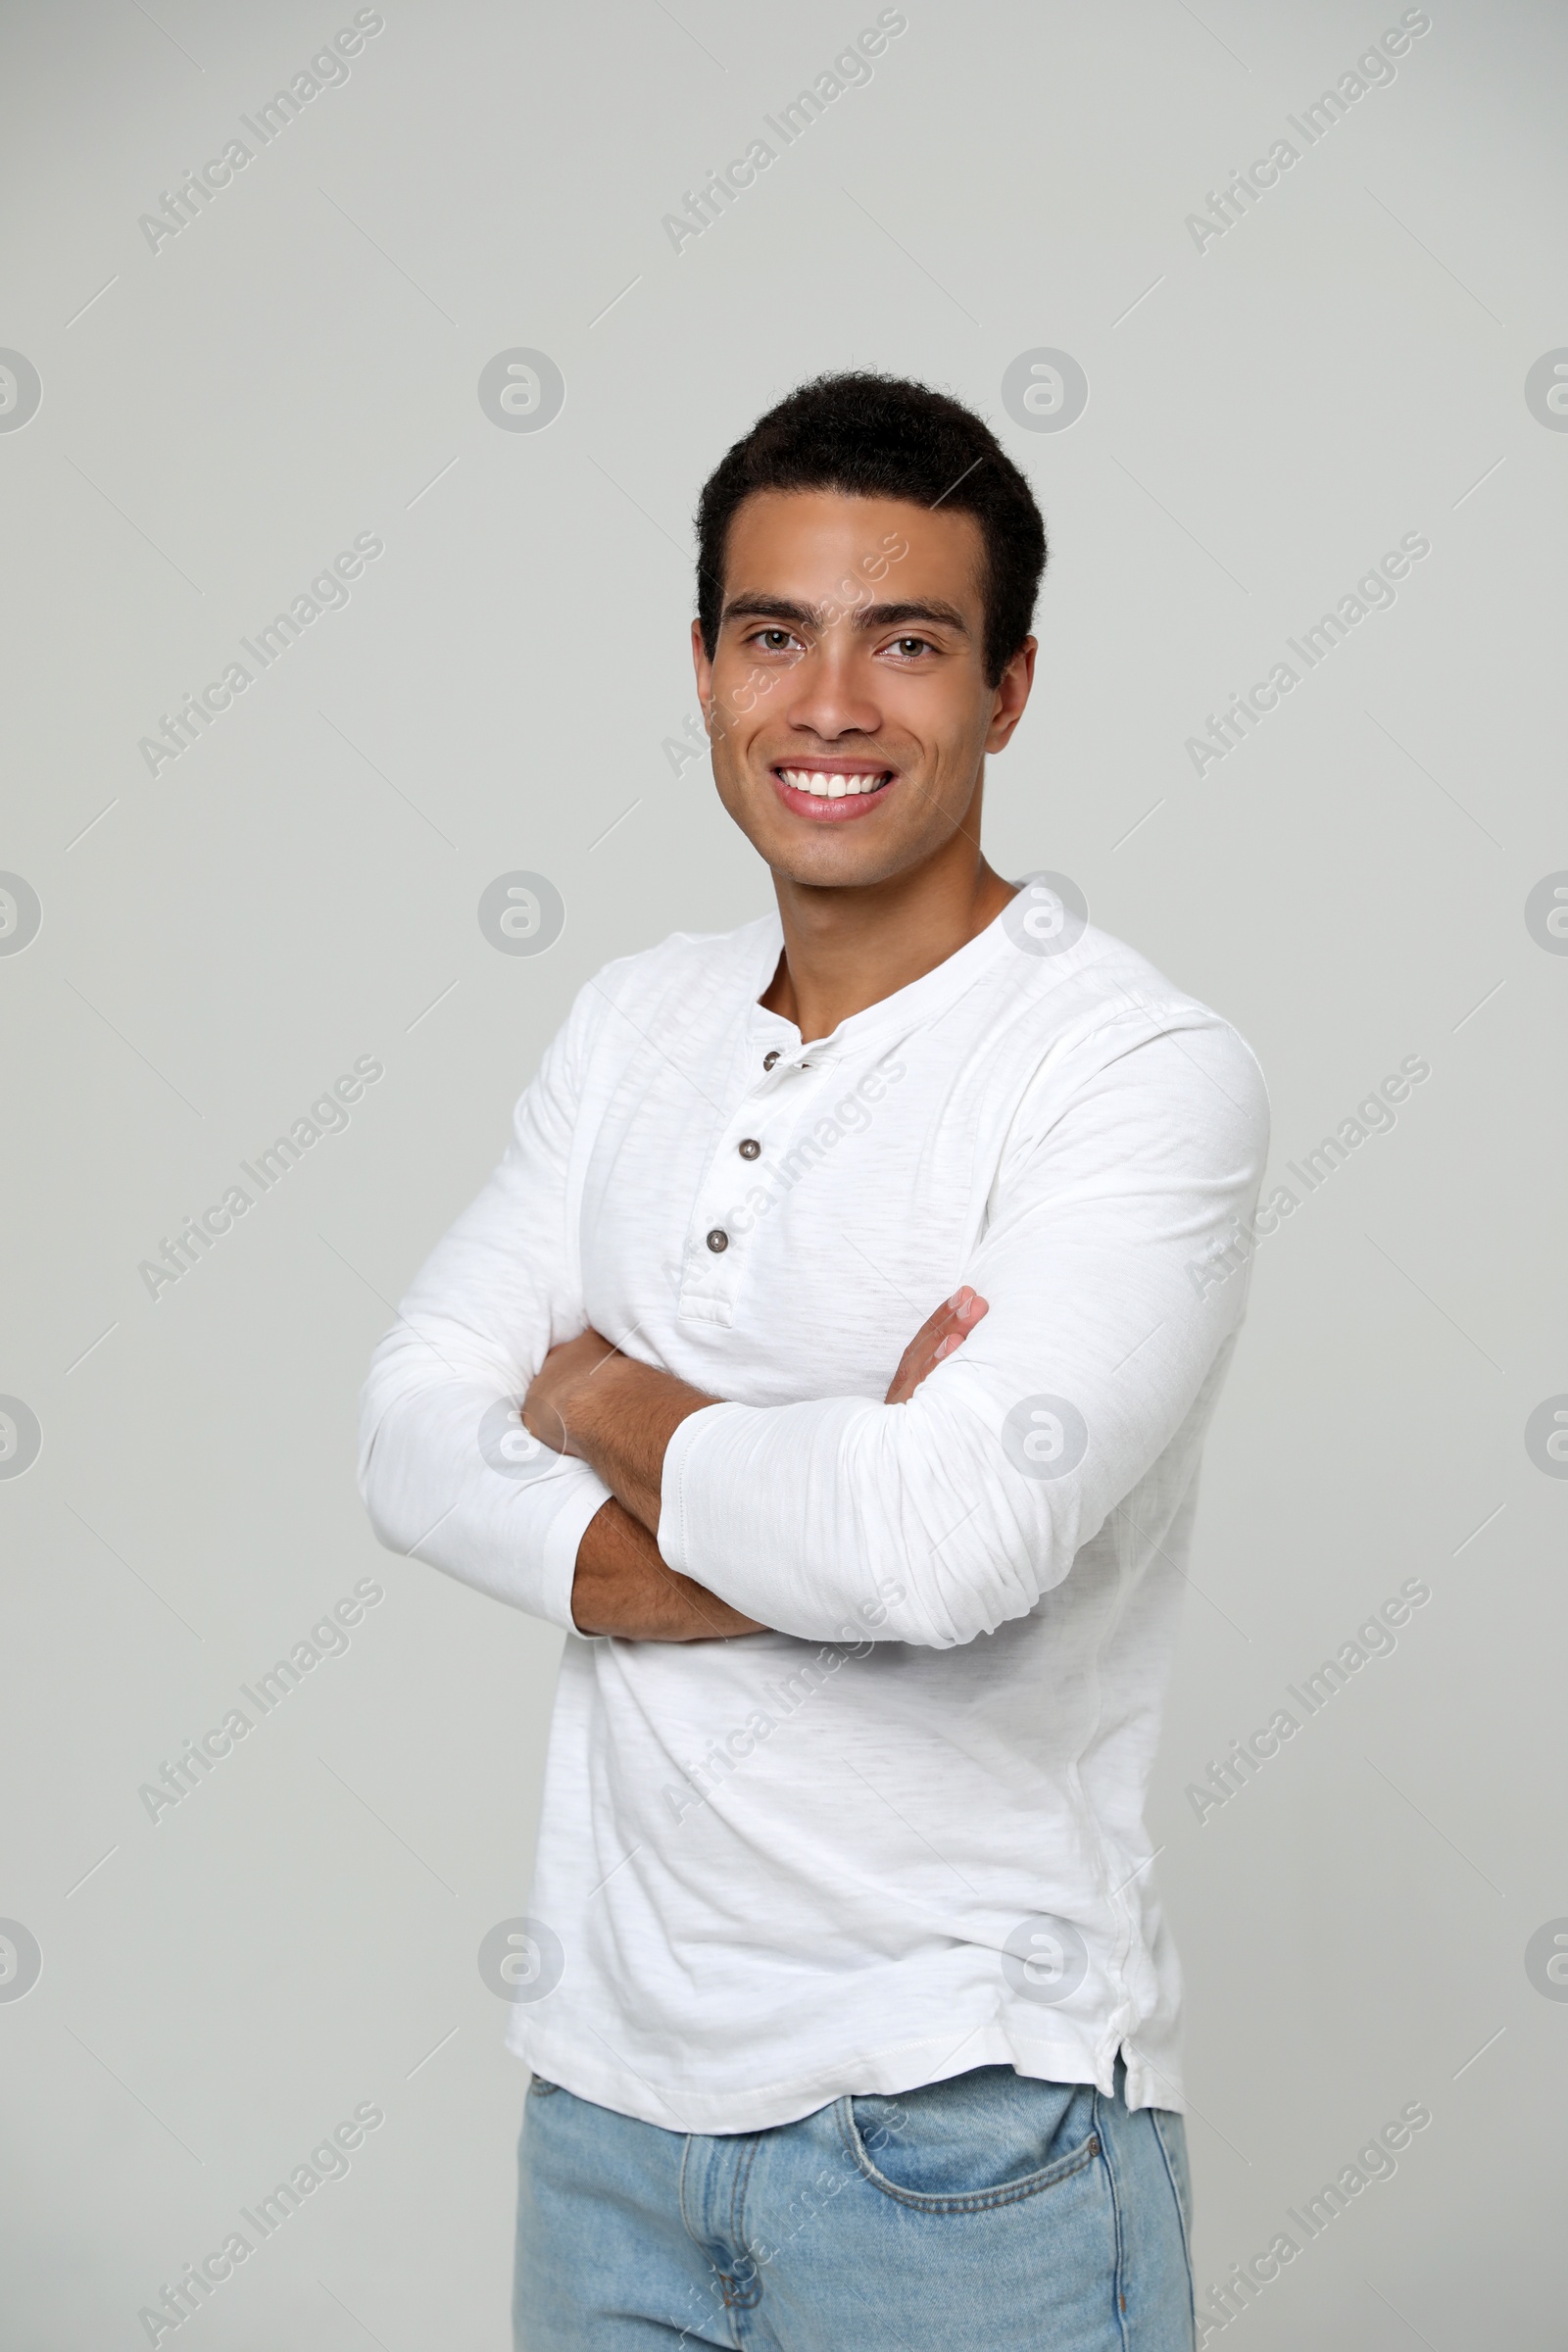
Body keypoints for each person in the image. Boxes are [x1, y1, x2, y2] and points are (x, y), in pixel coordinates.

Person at [358, 371, 1268, 2349]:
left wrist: (595, 1396)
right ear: (702, 668)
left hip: (969, 2127)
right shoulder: (629, 1026)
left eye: (907, 641)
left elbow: (940, 1552)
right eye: (775, 634)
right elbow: (411, 1432)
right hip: (605, 2110)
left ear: (1008, 686)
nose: (830, 703)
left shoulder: (1127, 1069)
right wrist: (809, 1498)